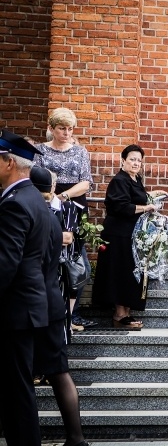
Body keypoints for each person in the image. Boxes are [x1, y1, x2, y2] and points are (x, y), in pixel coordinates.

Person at [29, 166, 89, 446]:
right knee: (57, 371)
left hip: (40, 302)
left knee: (54, 371)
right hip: (52, 300)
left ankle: (75, 438)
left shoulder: (37, 215)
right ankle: (75, 438)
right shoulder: (53, 216)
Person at [0, 129, 50, 446]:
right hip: (26, 308)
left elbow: (6, 263)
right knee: (16, 392)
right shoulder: (34, 198)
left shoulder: (16, 203)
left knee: (16, 394)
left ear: (8, 163)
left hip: (15, 311)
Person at [35, 107, 96, 331]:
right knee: (49, 258)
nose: (67, 133)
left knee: (76, 262)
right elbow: (35, 179)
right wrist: (51, 198)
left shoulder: (80, 151)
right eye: (62, 128)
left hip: (74, 205)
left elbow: (86, 182)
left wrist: (62, 197)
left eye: (70, 129)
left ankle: (70, 315)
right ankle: (49, 314)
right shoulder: (40, 150)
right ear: (51, 128)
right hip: (46, 205)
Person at [92, 144, 164, 330]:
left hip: (130, 235)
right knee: (120, 272)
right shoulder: (119, 180)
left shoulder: (135, 179)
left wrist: (152, 195)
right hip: (118, 234)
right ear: (123, 160)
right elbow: (121, 206)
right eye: (132, 159)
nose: (136, 163)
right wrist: (146, 207)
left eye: (139, 160)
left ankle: (127, 312)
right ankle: (119, 315)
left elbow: (135, 197)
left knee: (130, 272)